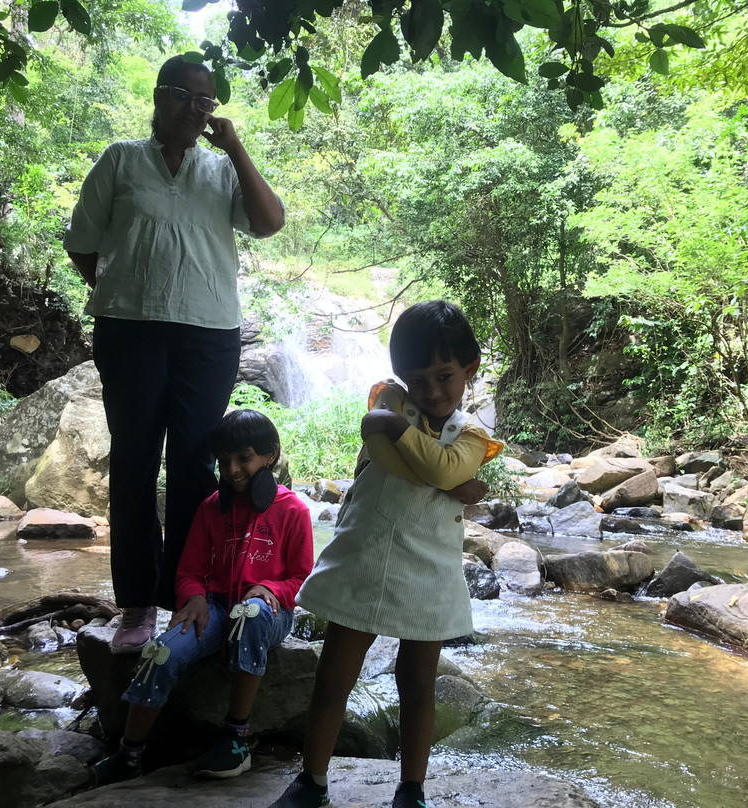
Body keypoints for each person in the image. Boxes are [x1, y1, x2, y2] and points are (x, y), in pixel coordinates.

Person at [63, 54, 285, 652]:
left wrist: (236, 148)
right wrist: (122, 290)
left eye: (206, 100)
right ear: (159, 97)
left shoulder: (222, 168)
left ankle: (190, 596)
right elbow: (82, 243)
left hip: (209, 334)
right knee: (135, 459)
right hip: (129, 330)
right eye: (184, 95)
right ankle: (137, 604)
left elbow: (269, 222)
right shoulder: (120, 159)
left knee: (193, 464)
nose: (196, 108)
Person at [268, 300, 503, 808]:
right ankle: (312, 781)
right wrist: (450, 482)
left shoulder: (472, 434)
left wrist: (405, 439)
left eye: (444, 376)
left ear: (470, 369)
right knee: (334, 677)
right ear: (400, 377)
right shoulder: (390, 400)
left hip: (430, 569)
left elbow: (436, 465)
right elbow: (396, 460)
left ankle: (411, 789)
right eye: (418, 380)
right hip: (367, 556)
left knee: (417, 684)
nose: (431, 391)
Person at [91, 409, 314, 786]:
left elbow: (302, 579)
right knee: (160, 651)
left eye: (244, 458)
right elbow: (190, 571)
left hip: (268, 613)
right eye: (224, 461)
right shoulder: (212, 508)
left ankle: (236, 737)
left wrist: (272, 589)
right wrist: (193, 597)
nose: (233, 470)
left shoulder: (293, 510)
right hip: (217, 608)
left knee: (250, 613)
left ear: (270, 455)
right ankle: (130, 754)